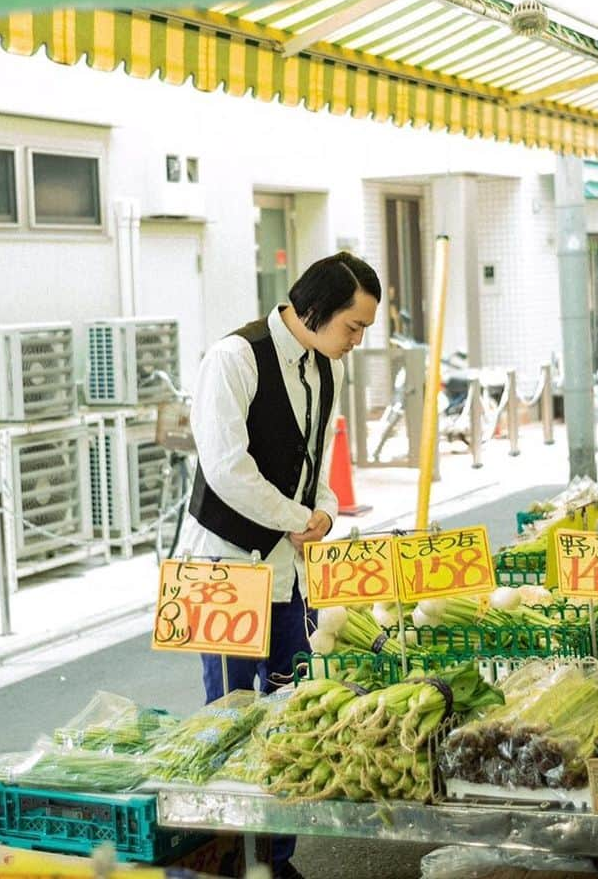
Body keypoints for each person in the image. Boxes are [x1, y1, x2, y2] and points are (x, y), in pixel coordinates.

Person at [180, 250, 380, 879]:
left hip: (288, 571)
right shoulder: (233, 357)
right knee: (231, 713)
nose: (357, 340)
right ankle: (232, 858)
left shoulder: (327, 368)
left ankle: (278, 856)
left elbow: (316, 457)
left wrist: (322, 512)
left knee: (294, 709)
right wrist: (301, 520)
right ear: (314, 309)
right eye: (354, 326)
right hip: (222, 569)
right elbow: (225, 468)